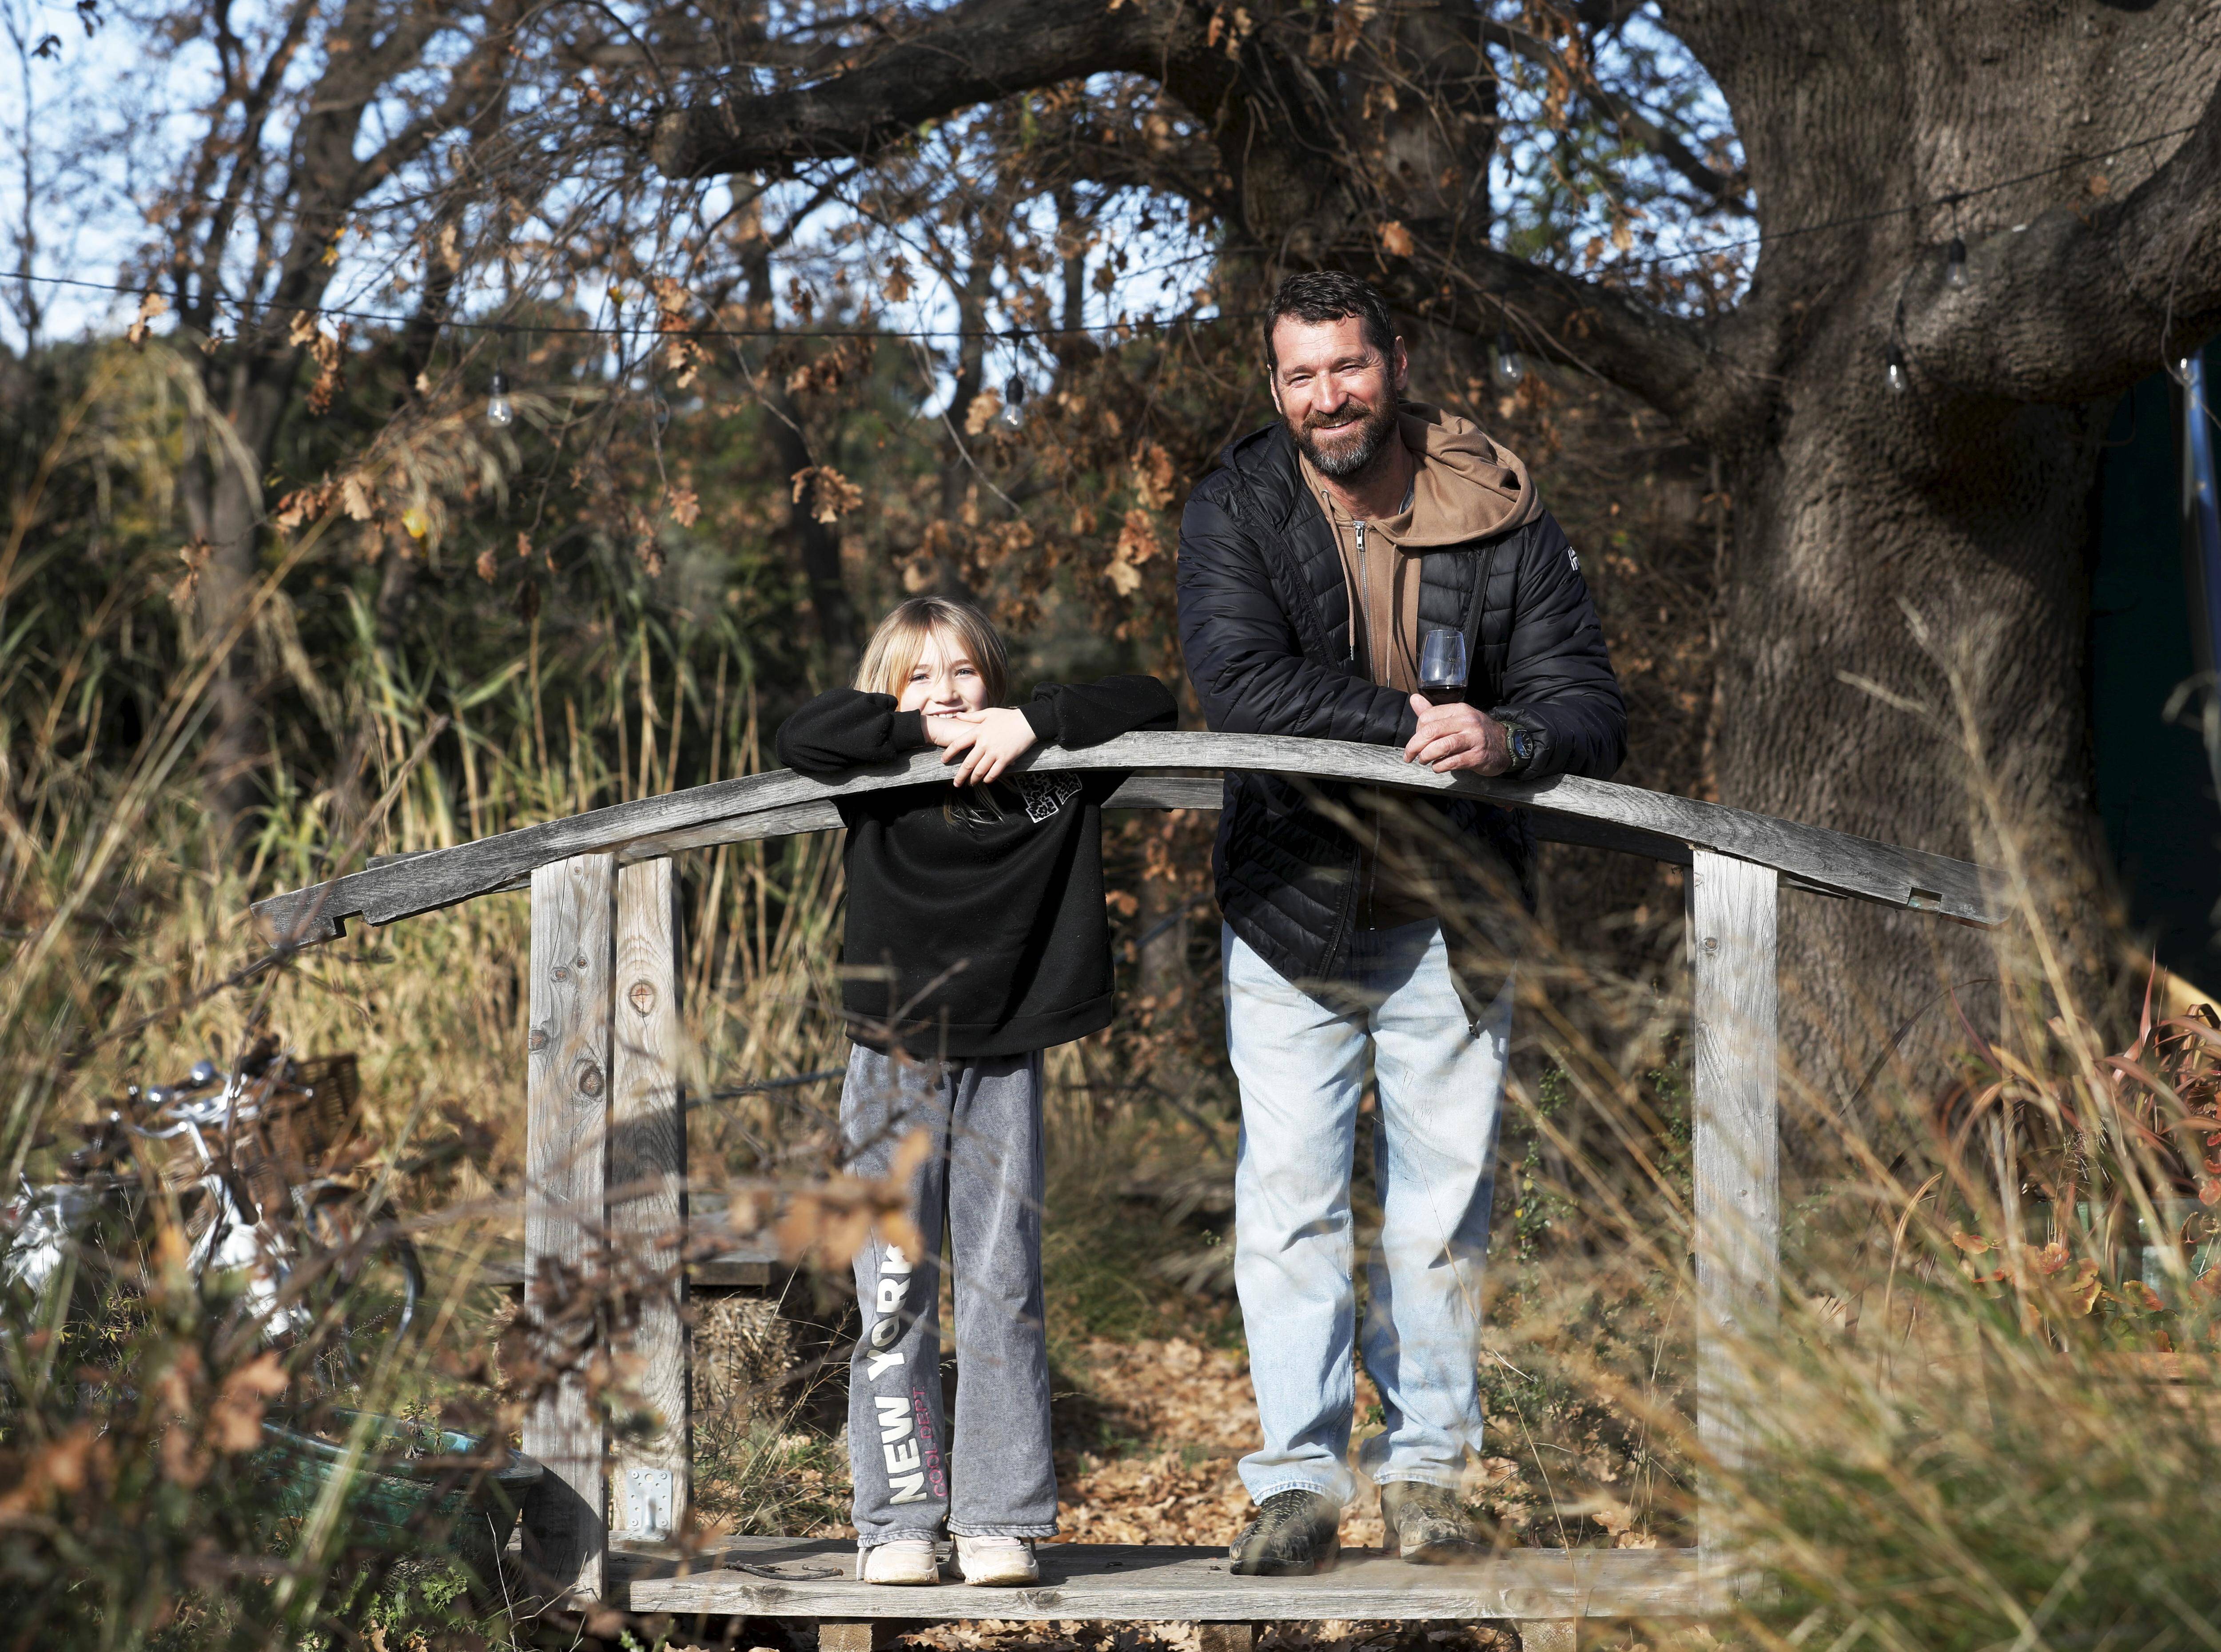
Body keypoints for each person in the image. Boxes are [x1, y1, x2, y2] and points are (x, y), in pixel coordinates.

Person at [1176, 271, 1626, 1574]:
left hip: (1455, 904)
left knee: (1442, 1211)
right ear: (1277, 388)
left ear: (1398, 361)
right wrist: (1413, 726)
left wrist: (1509, 730)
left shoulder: (1501, 504)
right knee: (1292, 1203)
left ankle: (1431, 1474)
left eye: (1348, 368)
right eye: (1302, 376)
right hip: (1288, 901)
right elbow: (1243, 680)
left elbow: (1586, 698)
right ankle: (1300, 1483)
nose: (1329, 397)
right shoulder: (1240, 502)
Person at [775, 596, 1177, 1587]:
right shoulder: (877, 772)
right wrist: (915, 730)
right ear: (892, 693)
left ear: (993, 679)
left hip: (1006, 1053)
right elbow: (799, 732)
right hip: (894, 1054)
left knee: (1004, 1283)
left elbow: (1153, 698)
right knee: (895, 1286)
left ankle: (998, 1517)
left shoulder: (1053, 770)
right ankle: (897, 1522)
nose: (946, 693)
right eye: (919, 676)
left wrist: (1034, 724)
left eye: (963, 674)